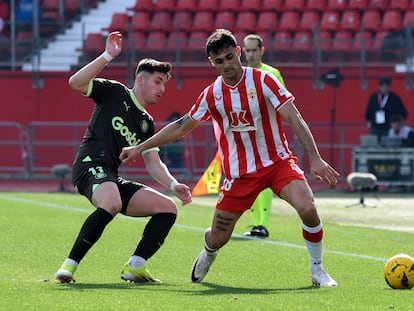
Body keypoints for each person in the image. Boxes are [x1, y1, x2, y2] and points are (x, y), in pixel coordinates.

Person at [120, 29, 339, 287]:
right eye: (219, 61)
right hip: (239, 174)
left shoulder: (264, 80)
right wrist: (139, 147)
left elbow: (295, 117)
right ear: (212, 63)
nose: (227, 65)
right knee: (219, 238)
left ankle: (317, 269)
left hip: (277, 163)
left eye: (229, 57)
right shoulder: (212, 94)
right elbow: (180, 126)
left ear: (238, 53)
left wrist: (314, 158)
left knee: (308, 208)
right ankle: (209, 250)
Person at [54, 31, 192, 284]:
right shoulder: (115, 92)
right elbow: (75, 82)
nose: (162, 89)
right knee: (112, 202)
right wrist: (107, 55)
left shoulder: (146, 123)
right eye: (158, 82)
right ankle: (68, 266)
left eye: (165, 84)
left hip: (111, 177)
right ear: (140, 80)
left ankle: (135, 266)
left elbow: (154, 163)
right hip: (89, 166)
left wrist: (174, 185)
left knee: (167, 208)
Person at [241, 33, 287, 238]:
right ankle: (256, 223)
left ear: (262, 50)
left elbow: (283, 103)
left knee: (265, 178)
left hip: (267, 135)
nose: (250, 54)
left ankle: (263, 223)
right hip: (245, 135)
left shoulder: (272, 74)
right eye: (247, 50)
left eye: (253, 50)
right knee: (249, 176)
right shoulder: (240, 74)